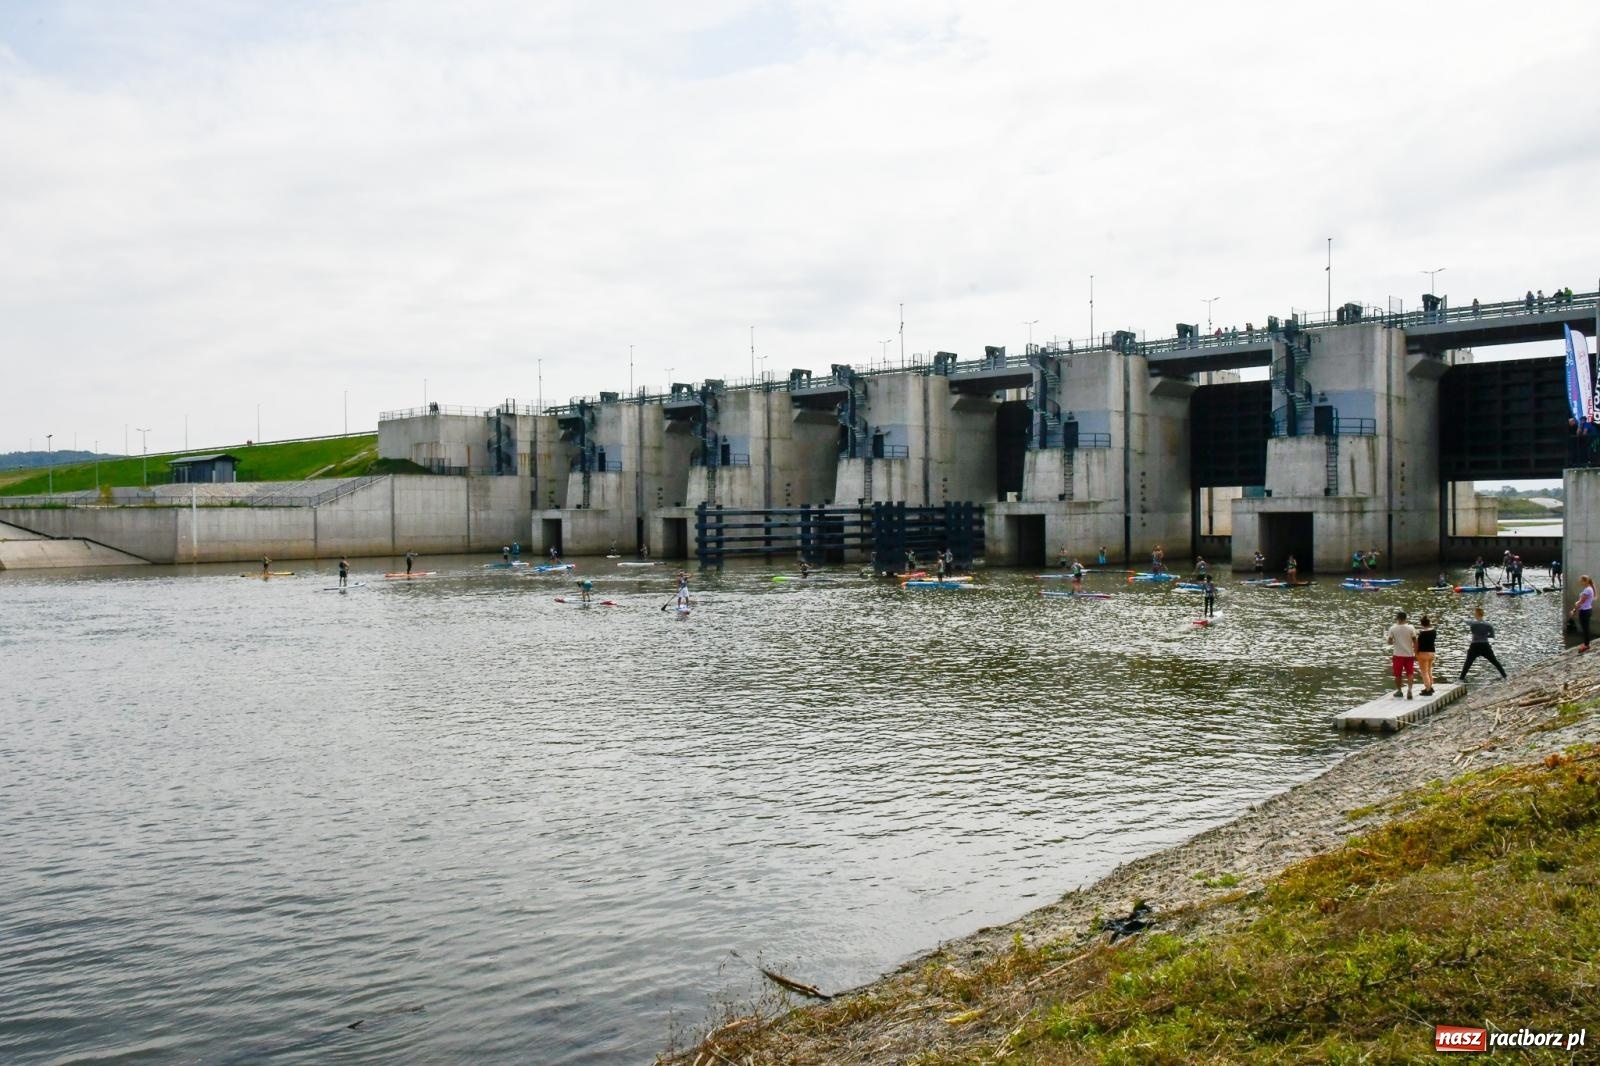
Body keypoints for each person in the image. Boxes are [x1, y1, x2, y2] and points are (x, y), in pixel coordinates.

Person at [1459, 606, 1507, 682]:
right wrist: (1485, 635)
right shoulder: (1488, 625)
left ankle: (1461, 678)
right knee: (1495, 661)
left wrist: (1462, 617)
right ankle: (1504, 676)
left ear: (1476, 614)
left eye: (1474, 613)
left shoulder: (1473, 623)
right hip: (1485, 645)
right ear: (1482, 615)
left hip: (1474, 646)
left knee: (1468, 663)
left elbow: (1464, 621)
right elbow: (1492, 636)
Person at [1386, 610, 1418, 700]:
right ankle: (1410, 690)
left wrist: (1391, 639)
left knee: (1398, 674)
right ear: (1405, 618)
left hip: (1398, 655)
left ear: (1398, 619)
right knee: (1410, 673)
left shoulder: (1393, 628)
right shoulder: (1411, 628)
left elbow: (1389, 642)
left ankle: (1399, 691)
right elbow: (1415, 641)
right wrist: (1416, 653)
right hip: (1409, 655)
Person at [1572, 575, 1595, 653]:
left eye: (1581, 581)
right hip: (1587, 610)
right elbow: (1582, 601)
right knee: (1586, 627)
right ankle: (1586, 643)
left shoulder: (1587, 590)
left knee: (1585, 628)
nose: (1580, 582)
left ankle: (1586, 645)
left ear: (1585, 581)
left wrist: (1574, 609)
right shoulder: (1589, 589)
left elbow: (1581, 602)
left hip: (1584, 611)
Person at [1415, 614, 1437, 694]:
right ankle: (1430, 686)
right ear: (1429, 623)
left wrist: (1415, 653)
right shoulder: (1434, 631)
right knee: (1429, 670)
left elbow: (1417, 644)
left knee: (1424, 672)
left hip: (1423, 654)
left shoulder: (1422, 634)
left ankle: (1427, 689)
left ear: (1422, 624)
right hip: (1432, 653)